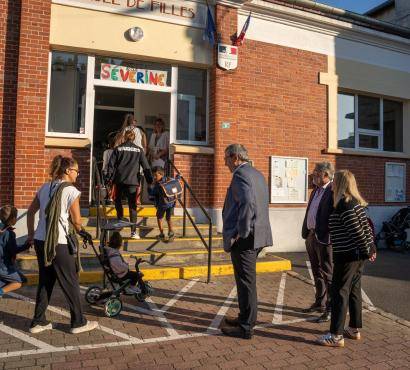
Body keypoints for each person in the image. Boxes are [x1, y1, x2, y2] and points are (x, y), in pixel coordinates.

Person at [26, 155, 97, 334]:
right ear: (67, 171)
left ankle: (38, 321)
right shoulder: (71, 191)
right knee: (71, 281)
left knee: (46, 281)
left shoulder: (44, 187)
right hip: (58, 242)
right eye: (76, 171)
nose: (77, 174)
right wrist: (83, 232)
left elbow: (30, 212)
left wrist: (31, 235)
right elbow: (77, 221)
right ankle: (78, 322)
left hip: (42, 241)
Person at [317, 170, 376, 347]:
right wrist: (371, 248)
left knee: (339, 293)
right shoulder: (356, 203)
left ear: (341, 183)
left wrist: (367, 250)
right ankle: (353, 329)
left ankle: (336, 335)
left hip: (348, 256)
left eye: (335, 181)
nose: (332, 184)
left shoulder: (343, 204)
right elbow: (366, 228)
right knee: (354, 291)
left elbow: (357, 231)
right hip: (357, 256)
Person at [221, 144, 273, 339]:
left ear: (235, 157)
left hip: (246, 237)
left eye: (226, 158)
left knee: (245, 282)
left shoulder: (240, 175)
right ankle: (245, 317)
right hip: (258, 235)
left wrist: (239, 234)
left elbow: (248, 204)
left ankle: (245, 326)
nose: (225, 162)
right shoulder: (257, 173)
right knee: (245, 281)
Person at [301, 162, 334, 323]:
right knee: (316, 271)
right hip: (311, 235)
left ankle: (330, 308)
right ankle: (319, 302)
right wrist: (307, 232)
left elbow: (333, 216)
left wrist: (328, 234)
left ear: (326, 175)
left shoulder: (333, 191)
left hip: (324, 238)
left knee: (328, 274)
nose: (313, 176)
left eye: (316, 174)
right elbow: (311, 211)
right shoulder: (315, 190)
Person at [106, 129, 153, 239]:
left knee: (118, 201)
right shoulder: (139, 150)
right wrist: (150, 180)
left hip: (120, 180)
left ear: (123, 138)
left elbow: (111, 165)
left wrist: (108, 179)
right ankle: (133, 232)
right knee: (132, 206)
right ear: (134, 138)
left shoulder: (118, 148)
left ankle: (120, 221)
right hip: (133, 182)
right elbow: (146, 167)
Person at [0, 205, 30, 296]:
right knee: (20, 281)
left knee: (4, 281)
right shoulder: (9, 233)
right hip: (4, 266)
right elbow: (14, 250)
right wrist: (27, 245)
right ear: (13, 219)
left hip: (3, 265)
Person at [148, 166, 177, 242]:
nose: (154, 177)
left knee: (159, 218)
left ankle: (161, 234)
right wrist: (178, 176)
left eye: (155, 175)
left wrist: (149, 188)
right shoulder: (169, 180)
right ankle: (171, 233)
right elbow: (176, 182)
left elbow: (152, 193)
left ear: (161, 174)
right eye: (153, 175)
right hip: (171, 203)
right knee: (168, 218)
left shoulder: (158, 185)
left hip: (162, 205)